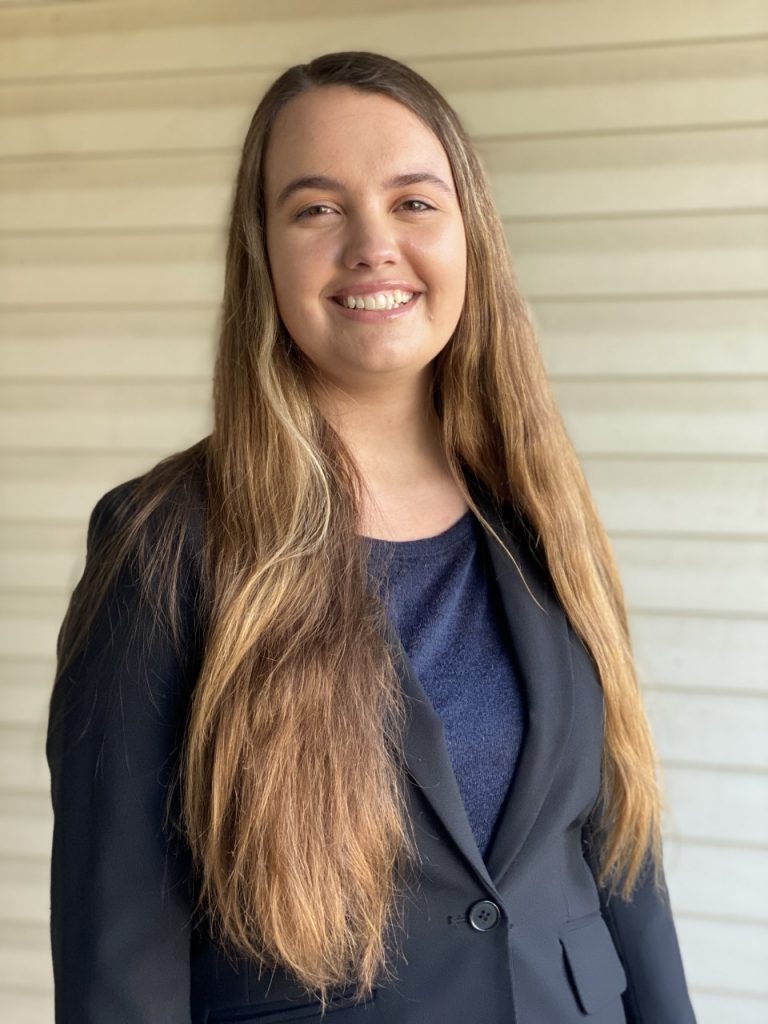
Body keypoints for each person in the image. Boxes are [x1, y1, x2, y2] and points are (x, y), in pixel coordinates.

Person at [46, 51, 697, 1023]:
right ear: (262, 251)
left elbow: (622, 862)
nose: (371, 246)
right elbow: (120, 963)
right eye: (316, 208)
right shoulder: (164, 546)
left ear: (469, 231)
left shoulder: (542, 512)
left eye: (413, 202)